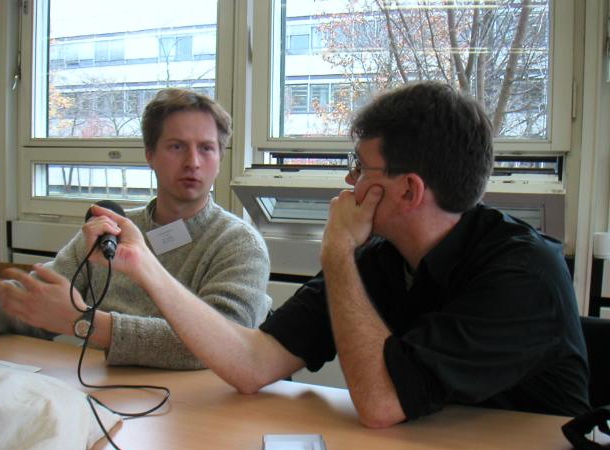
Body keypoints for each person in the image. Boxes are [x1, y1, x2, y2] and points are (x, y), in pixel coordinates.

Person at [82, 81, 589, 427]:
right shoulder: (384, 257)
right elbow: (252, 362)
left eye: (361, 168)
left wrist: (339, 253)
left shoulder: (524, 274)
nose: (350, 180)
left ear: (409, 190)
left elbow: (381, 404)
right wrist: (146, 269)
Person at [0, 88, 271, 369]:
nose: (192, 162)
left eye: (206, 148)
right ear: (150, 155)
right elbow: (33, 305)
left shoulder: (239, 244)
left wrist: (84, 321)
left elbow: (225, 343)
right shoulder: (109, 229)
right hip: (99, 388)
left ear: (220, 160)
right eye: (177, 146)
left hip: (196, 401)